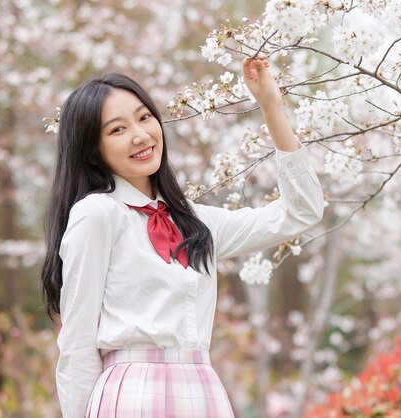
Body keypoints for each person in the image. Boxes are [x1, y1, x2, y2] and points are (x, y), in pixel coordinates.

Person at [41, 53, 325, 417]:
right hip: (131, 395)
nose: (141, 135)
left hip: (201, 389)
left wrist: (271, 107)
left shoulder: (196, 222)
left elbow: (302, 212)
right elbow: (77, 343)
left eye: (144, 118)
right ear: (93, 153)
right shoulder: (98, 215)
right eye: (118, 129)